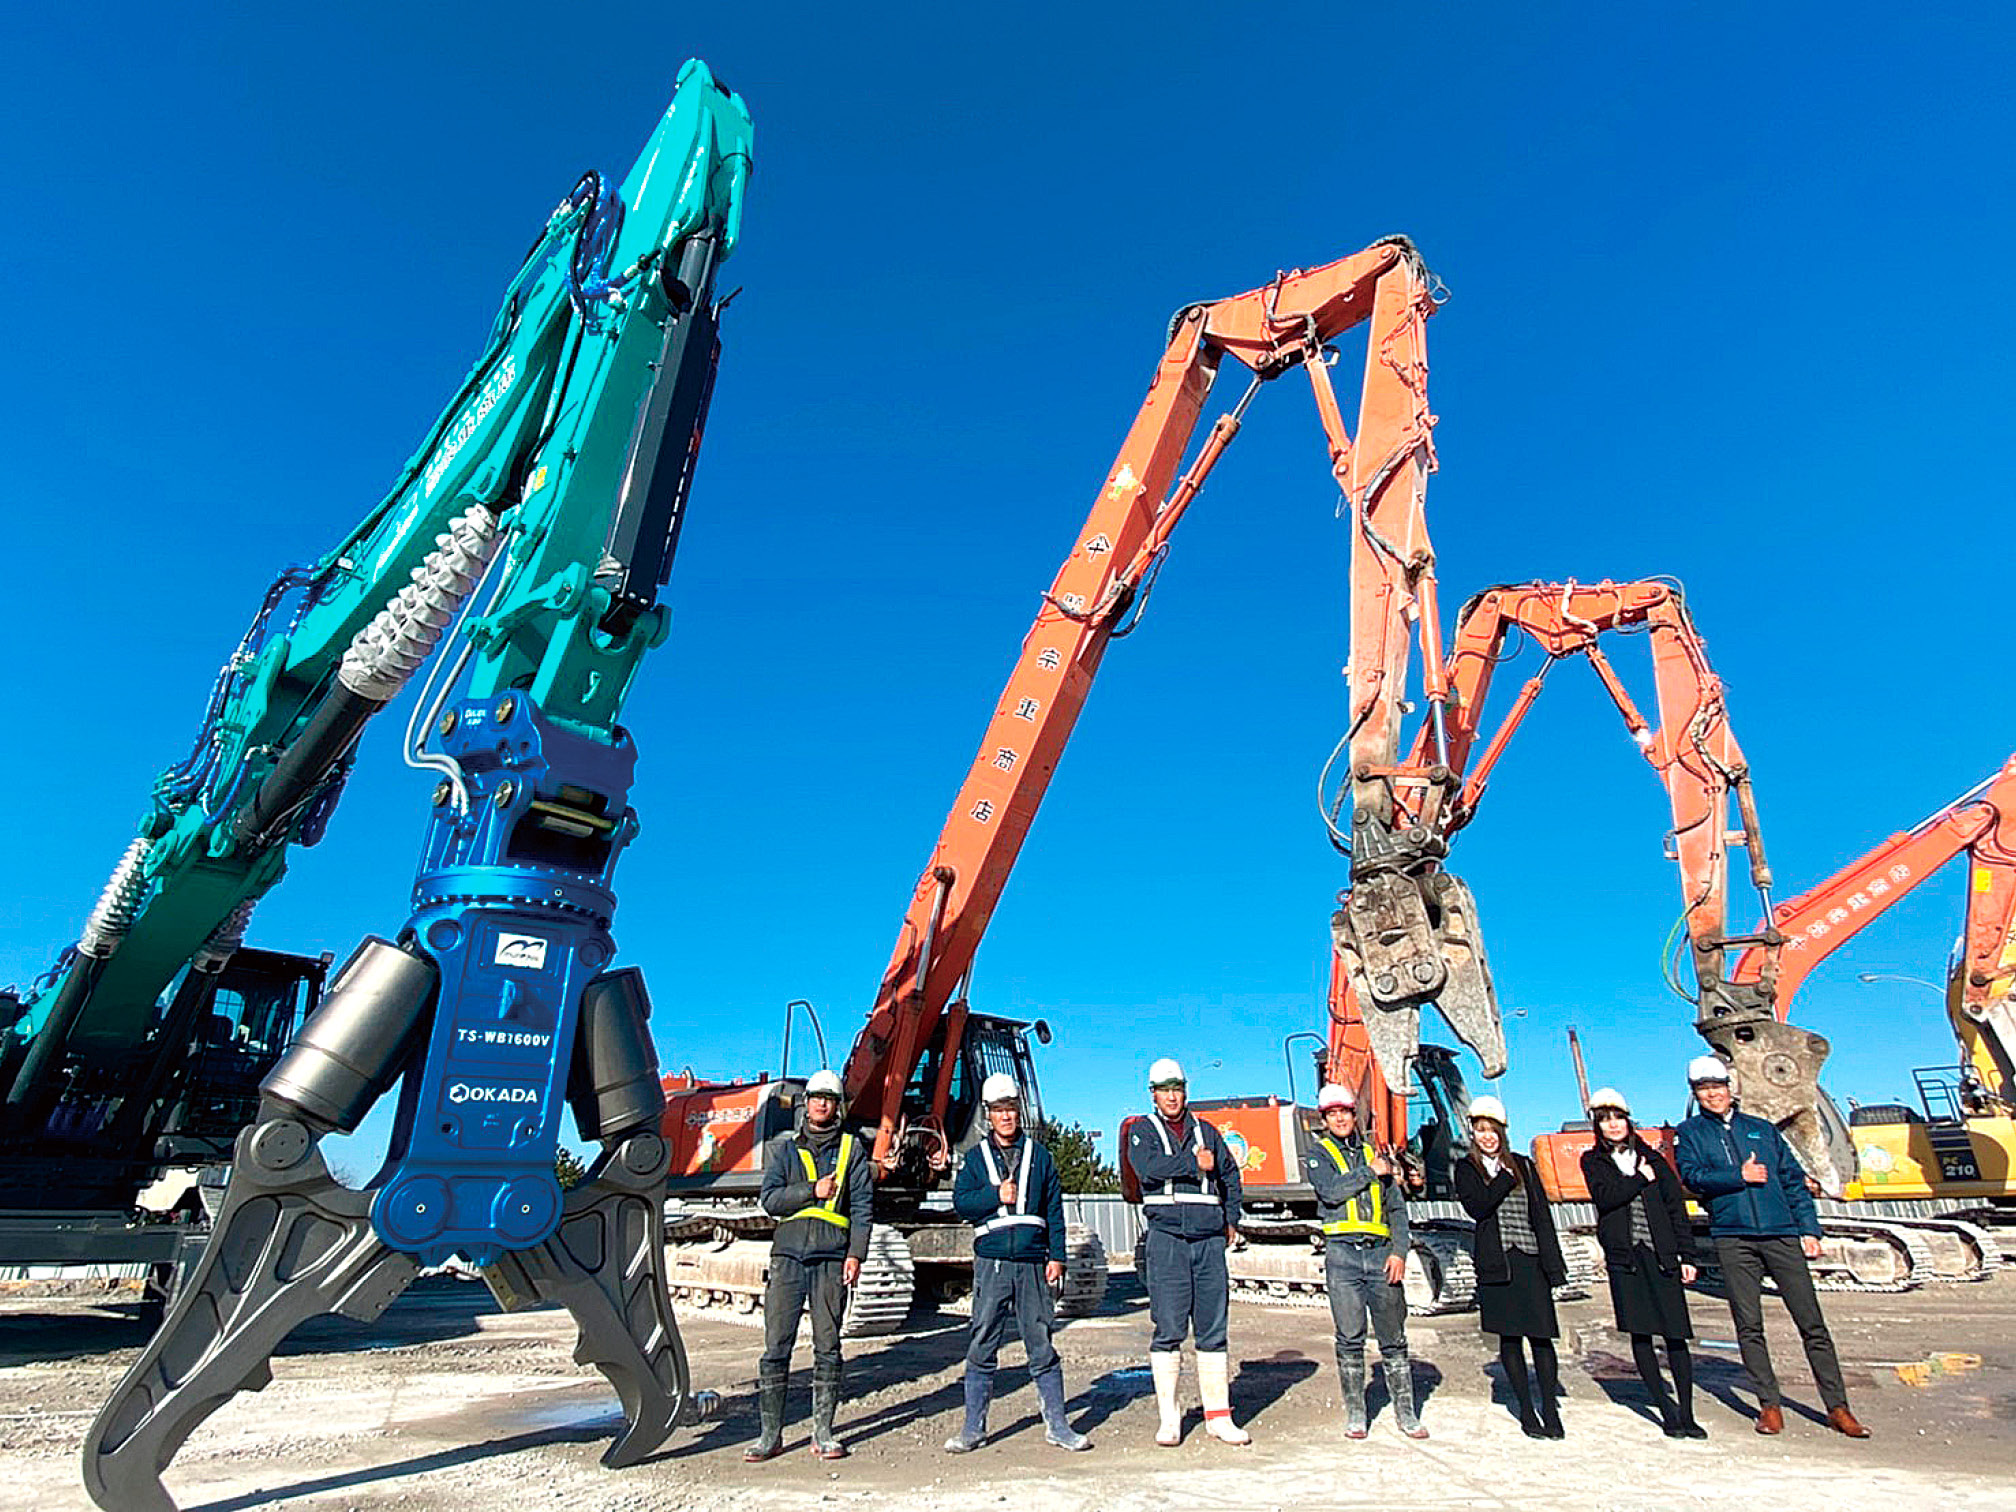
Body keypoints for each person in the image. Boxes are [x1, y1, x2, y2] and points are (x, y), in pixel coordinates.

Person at [1675, 1054, 1870, 1439]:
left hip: (1781, 1233)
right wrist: (1737, 1175)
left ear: (1730, 1090)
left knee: (1811, 1323)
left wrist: (1809, 1229)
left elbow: (1793, 1181)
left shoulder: (1762, 1130)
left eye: (1718, 1087)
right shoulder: (1691, 1133)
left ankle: (1838, 1407)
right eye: (1705, 1090)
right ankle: (1769, 1405)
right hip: (1734, 1237)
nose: (1713, 1095)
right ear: (1697, 1095)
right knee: (1749, 1326)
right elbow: (1693, 1178)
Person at [943, 1072, 1092, 1454]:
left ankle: (1058, 1426)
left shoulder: (1040, 1157)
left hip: (1031, 1265)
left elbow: (1054, 1211)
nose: (1005, 1117)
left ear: (1017, 1112)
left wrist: (1057, 1256)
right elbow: (962, 1204)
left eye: (1010, 1109)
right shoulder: (975, 1161)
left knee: (1040, 1342)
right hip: (992, 1264)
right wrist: (996, 1194)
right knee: (982, 1343)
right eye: (998, 1111)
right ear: (988, 1116)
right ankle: (972, 1429)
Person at [745, 1067, 875, 1462]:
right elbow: (770, 1200)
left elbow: (862, 1208)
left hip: (830, 1259)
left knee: (828, 1347)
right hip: (788, 1259)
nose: (821, 1103)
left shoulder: (852, 1150)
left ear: (837, 1107)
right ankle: (771, 1435)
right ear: (807, 1104)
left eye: (828, 1099)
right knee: (776, 1347)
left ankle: (823, 1431)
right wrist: (810, 1191)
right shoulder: (785, 1150)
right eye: (816, 1097)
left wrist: (856, 1254)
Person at [1122, 1057, 1250, 1446]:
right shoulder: (1142, 1130)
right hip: (1168, 1239)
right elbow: (1147, 1168)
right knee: (1170, 1327)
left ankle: (1218, 1417)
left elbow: (1229, 1173)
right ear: (1153, 1095)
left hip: (1209, 1240)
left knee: (1213, 1328)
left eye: (1177, 1089)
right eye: (1164, 1090)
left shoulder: (1206, 1131)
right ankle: (1170, 1418)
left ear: (1185, 1091)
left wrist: (1231, 1218)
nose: (1172, 1097)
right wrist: (1192, 1164)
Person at [1303, 1082, 1427, 1440]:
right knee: (1350, 1336)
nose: (1340, 1119)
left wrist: (1399, 1251)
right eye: (1333, 1114)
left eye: (1345, 1112)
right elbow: (1330, 1191)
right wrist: (1371, 1171)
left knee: (1393, 1337)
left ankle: (1406, 1412)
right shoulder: (1319, 1154)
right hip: (1342, 1257)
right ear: (1325, 1119)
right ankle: (1357, 1413)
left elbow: (1397, 1210)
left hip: (1379, 1254)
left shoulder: (1376, 1153)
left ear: (1354, 1116)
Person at [1578, 1088, 1704, 1438]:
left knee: (1676, 1335)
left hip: (1659, 1253)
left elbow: (1675, 1210)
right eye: (1605, 1120)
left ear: (1628, 1120)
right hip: (1626, 1259)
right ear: (1598, 1127)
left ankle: (1687, 1412)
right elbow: (1607, 1197)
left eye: (1617, 1118)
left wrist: (1687, 1254)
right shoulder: (1593, 1162)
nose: (1613, 1125)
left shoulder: (1656, 1160)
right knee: (1641, 1334)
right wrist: (1638, 1179)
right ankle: (1666, 1411)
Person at [1454, 1094, 1567, 1438]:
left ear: (1503, 1132)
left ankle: (1549, 1407)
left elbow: (1541, 1215)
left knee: (1542, 1337)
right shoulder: (1466, 1169)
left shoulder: (1525, 1166)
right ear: (1473, 1133)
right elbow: (1479, 1208)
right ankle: (1526, 1410)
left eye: (1493, 1130)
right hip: (1496, 1263)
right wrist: (1501, 1180)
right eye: (1481, 1130)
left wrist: (1553, 1263)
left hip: (1529, 1260)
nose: (1487, 1136)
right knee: (1510, 1338)